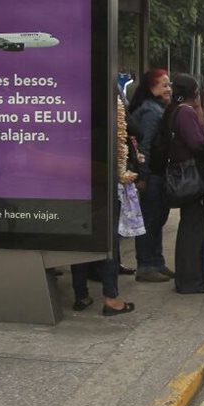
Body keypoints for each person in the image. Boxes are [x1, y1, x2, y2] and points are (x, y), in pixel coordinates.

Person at [71, 91, 135, 315]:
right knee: (107, 241)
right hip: (102, 186)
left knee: (79, 239)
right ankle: (111, 298)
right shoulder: (108, 130)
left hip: (77, 186)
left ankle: (81, 295)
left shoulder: (75, 122)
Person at [160, 74, 204, 294]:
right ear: (194, 92)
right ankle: (190, 280)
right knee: (193, 230)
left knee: (193, 227)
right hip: (190, 176)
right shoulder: (186, 113)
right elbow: (198, 143)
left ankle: (194, 278)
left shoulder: (176, 111)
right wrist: (200, 110)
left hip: (183, 174)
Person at [128, 68, 174, 282]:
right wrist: (142, 177)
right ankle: (146, 265)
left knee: (157, 220)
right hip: (151, 175)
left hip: (157, 173)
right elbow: (144, 147)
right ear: (151, 87)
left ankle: (157, 261)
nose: (169, 89)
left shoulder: (157, 108)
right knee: (150, 220)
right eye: (164, 85)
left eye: (169, 85)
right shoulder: (150, 112)